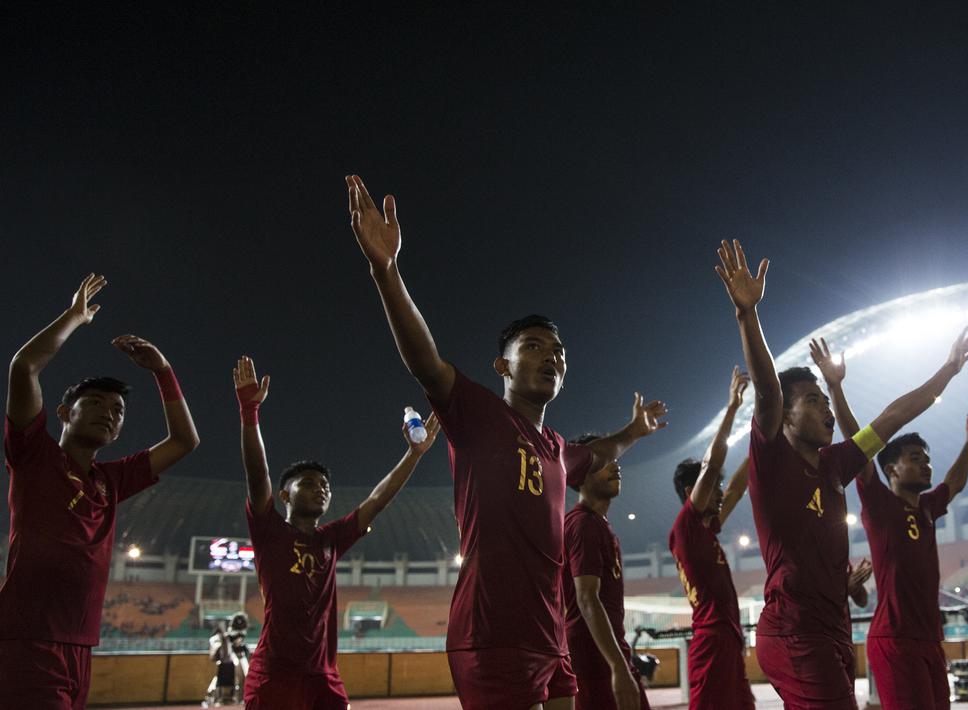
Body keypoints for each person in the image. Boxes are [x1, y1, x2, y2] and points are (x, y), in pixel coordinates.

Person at [347, 175, 668, 710]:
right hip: (492, 633)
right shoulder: (478, 415)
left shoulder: (557, 449)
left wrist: (634, 432)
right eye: (534, 346)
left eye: (558, 352)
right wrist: (387, 271)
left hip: (551, 637)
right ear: (503, 365)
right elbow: (425, 361)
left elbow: (600, 452)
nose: (551, 357)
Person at [714, 240, 968, 709]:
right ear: (787, 417)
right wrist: (747, 315)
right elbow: (769, 393)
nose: (826, 411)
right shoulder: (772, 457)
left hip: (832, 629)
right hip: (794, 632)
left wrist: (948, 370)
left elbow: (893, 417)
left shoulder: (838, 464)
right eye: (812, 401)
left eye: (826, 402)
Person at [0, 274, 200, 709]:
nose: (108, 413)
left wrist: (163, 372)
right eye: (94, 403)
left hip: (81, 646)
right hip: (28, 638)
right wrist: (74, 317)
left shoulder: (110, 480)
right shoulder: (34, 455)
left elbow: (185, 441)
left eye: (118, 410)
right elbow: (23, 367)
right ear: (64, 412)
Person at [233, 355, 439, 709]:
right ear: (285, 495)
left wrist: (414, 454)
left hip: (324, 678)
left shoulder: (331, 539)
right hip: (275, 675)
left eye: (325, 485)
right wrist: (249, 413)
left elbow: (376, 500)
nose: (321, 489)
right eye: (309, 483)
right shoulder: (270, 532)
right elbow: (257, 474)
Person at [815, 335, 968, 709]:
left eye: (927, 459)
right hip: (895, 641)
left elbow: (954, 483)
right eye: (915, 458)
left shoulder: (927, 507)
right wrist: (835, 387)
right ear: (891, 469)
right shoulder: (879, 503)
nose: (926, 464)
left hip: (930, 640)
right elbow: (857, 440)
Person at [668, 366, 756, 709]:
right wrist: (732, 407)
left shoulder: (706, 529)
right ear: (692, 491)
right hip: (712, 641)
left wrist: (764, 433)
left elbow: (736, 488)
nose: (719, 492)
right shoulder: (686, 527)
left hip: (728, 638)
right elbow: (713, 465)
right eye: (712, 486)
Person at [563, 434, 650, 710]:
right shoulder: (583, 525)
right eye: (603, 461)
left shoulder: (597, 524)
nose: (615, 465)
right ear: (580, 474)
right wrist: (618, 667)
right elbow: (587, 598)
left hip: (605, 653)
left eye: (614, 459)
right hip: (594, 659)